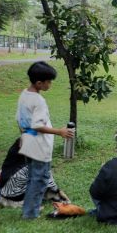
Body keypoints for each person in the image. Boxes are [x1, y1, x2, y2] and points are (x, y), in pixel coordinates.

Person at [16, 61, 74, 219]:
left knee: (32, 178)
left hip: (28, 144)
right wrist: (59, 131)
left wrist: (23, 136)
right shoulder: (38, 101)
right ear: (39, 83)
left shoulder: (24, 95)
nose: (50, 85)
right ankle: (30, 213)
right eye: (49, 82)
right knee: (40, 179)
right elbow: (37, 126)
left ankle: (29, 209)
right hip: (39, 146)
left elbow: (20, 121)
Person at [0, 138, 69, 208]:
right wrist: (57, 190)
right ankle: (51, 195)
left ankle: (53, 194)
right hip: (10, 187)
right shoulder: (27, 140)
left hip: (11, 184)